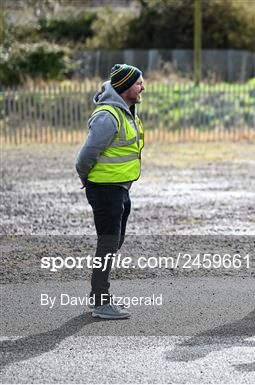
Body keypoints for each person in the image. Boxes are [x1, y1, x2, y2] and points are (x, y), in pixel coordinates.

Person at [76, 64, 145, 319]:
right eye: (138, 83)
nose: (143, 87)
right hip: (105, 190)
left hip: (120, 189)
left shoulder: (127, 112)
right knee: (107, 243)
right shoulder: (108, 116)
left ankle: (99, 297)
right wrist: (88, 179)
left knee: (113, 243)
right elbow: (85, 156)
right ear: (126, 87)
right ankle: (100, 302)